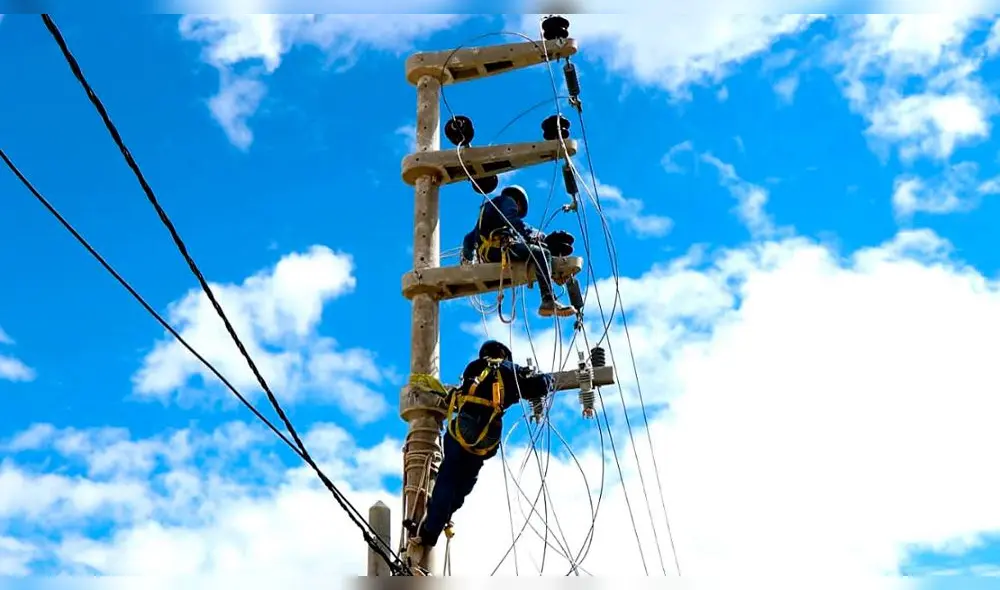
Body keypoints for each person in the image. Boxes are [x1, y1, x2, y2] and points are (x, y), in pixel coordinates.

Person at [405, 339, 554, 568]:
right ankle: (440, 519)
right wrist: (547, 379)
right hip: (485, 439)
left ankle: (428, 531)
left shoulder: (472, 368)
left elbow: (461, 396)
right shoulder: (508, 370)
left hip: (460, 432)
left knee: (448, 478)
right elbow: (537, 386)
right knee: (463, 486)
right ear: (504, 354)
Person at [461, 185, 576, 318]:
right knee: (542, 254)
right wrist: (537, 236)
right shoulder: (507, 201)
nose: (517, 211)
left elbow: (468, 240)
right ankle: (548, 300)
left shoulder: (488, 211)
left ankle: (548, 284)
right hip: (500, 250)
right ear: (519, 202)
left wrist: (467, 260)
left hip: (489, 254)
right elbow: (514, 222)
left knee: (537, 253)